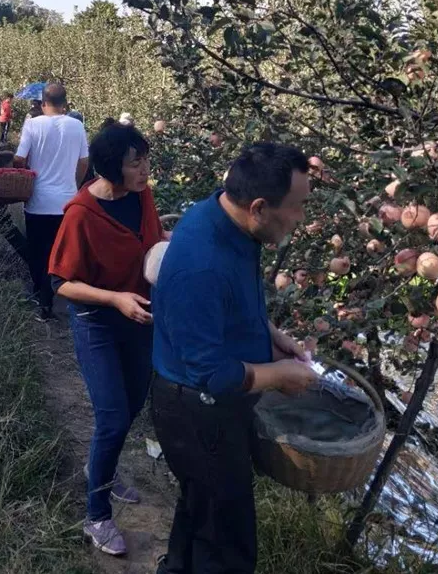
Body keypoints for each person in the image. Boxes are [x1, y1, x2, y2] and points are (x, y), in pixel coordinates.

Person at [151, 142, 319, 574]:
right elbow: (213, 375)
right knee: (227, 546)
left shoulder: (229, 220)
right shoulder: (202, 264)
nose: (301, 219)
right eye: (297, 208)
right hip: (196, 412)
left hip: (205, 407)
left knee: (201, 511)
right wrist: (279, 374)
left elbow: (232, 309)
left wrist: (273, 336)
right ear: (260, 207)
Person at [47, 121, 165, 557]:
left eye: (146, 160)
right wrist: (114, 298)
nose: (145, 170)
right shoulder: (82, 213)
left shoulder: (142, 197)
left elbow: (149, 243)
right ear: (113, 167)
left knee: (133, 404)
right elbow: (61, 282)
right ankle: (96, 515)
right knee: (113, 416)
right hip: (98, 321)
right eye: (137, 163)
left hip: (139, 317)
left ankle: (103, 467)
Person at [14, 82, 88, 320]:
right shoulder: (77, 126)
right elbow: (84, 162)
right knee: (62, 251)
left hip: (38, 200)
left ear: (43, 103)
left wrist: (26, 173)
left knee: (38, 250)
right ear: (66, 104)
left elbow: (19, 158)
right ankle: (62, 296)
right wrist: (73, 184)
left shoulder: (33, 124)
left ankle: (42, 298)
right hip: (67, 201)